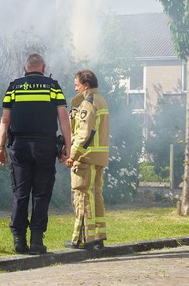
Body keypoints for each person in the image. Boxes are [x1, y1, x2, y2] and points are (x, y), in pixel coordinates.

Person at [0, 53, 71, 255]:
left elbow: (5, 122)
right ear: (43, 68)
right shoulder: (52, 86)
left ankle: (19, 241)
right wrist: (68, 147)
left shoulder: (14, 86)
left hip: (19, 146)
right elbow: (64, 119)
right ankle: (37, 241)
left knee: (20, 193)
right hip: (45, 146)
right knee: (41, 194)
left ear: (25, 68)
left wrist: (0, 148)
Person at [65, 69, 110, 250]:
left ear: (86, 85)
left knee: (82, 195)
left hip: (86, 157)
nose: (75, 89)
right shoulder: (101, 100)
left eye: (77, 85)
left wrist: (72, 156)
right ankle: (98, 236)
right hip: (99, 157)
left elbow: (84, 134)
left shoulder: (88, 104)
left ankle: (83, 239)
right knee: (95, 195)